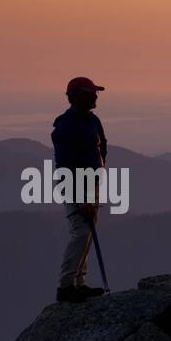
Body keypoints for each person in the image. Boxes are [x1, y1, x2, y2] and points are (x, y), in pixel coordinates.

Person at [52, 76, 109, 302]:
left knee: (86, 233)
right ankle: (66, 286)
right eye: (90, 92)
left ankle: (79, 283)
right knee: (81, 232)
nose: (95, 96)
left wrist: (98, 170)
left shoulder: (92, 120)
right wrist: (80, 196)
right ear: (76, 97)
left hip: (90, 182)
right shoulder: (66, 126)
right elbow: (66, 164)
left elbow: (102, 145)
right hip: (75, 183)